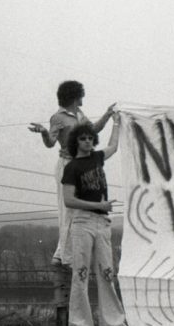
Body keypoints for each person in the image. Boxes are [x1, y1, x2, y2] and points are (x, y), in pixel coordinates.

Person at [61, 119, 135, 326]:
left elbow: (112, 146)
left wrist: (115, 124)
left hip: (102, 223)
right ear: (76, 141)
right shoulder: (72, 167)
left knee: (106, 273)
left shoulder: (97, 157)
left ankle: (113, 324)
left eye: (90, 138)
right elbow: (69, 200)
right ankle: (80, 324)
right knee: (81, 273)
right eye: (83, 138)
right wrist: (98, 205)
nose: (87, 141)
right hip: (82, 222)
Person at [28, 80, 115, 267]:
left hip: (80, 164)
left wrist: (107, 115)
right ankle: (65, 257)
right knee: (67, 211)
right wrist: (43, 132)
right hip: (67, 164)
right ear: (75, 97)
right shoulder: (58, 118)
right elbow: (50, 142)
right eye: (81, 95)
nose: (83, 98)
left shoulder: (80, 114)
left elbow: (93, 130)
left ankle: (62, 254)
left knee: (77, 211)